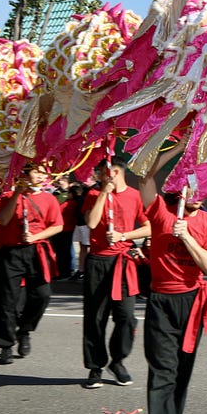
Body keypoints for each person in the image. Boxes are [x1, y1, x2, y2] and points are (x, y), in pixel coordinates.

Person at [143, 185, 207, 414]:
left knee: (182, 371)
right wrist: (175, 143)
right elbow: (145, 176)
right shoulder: (161, 213)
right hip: (161, 301)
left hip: (192, 303)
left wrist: (186, 235)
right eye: (192, 188)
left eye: (204, 189)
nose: (198, 195)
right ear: (180, 190)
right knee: (163, 371)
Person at [81, 158, 152, 389]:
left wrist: (124, 236)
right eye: (100, 173)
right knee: (95, 318)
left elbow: (149, 226)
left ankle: (118, 361)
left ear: (116, 172)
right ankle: (95, 367)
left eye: (105, 173)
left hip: (123, 262)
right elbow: (91, 223)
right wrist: (104, 193)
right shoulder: (93, 195)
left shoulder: (134, 196)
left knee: (127, 317)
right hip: (98, 261)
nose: (102, 176)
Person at [0, 169, 63, 365]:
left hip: (37, 250)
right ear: (25, 175)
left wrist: (35, 237)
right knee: (7, 299)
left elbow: (57, 225)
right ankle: (6, 345)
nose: (42, 176)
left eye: (45, 173)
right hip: (12, 252)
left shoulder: (49, 199)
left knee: (42, 294)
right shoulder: (8, 197)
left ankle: (25, 330)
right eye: (37, 172)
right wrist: (17, 193)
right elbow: (2, 220)